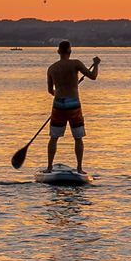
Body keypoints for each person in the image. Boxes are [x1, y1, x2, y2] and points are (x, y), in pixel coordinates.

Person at [46, 40, 100, 171]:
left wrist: (59, 95)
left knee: (54, 138)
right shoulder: (76, 63)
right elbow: (93, 76)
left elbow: (49, 90)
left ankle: (49, 168)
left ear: (58, 51)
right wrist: (96, 64)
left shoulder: (52, 68)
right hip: (73, 103)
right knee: (78, 137)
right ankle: (80, 168)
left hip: (58, 103)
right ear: (70, 51)